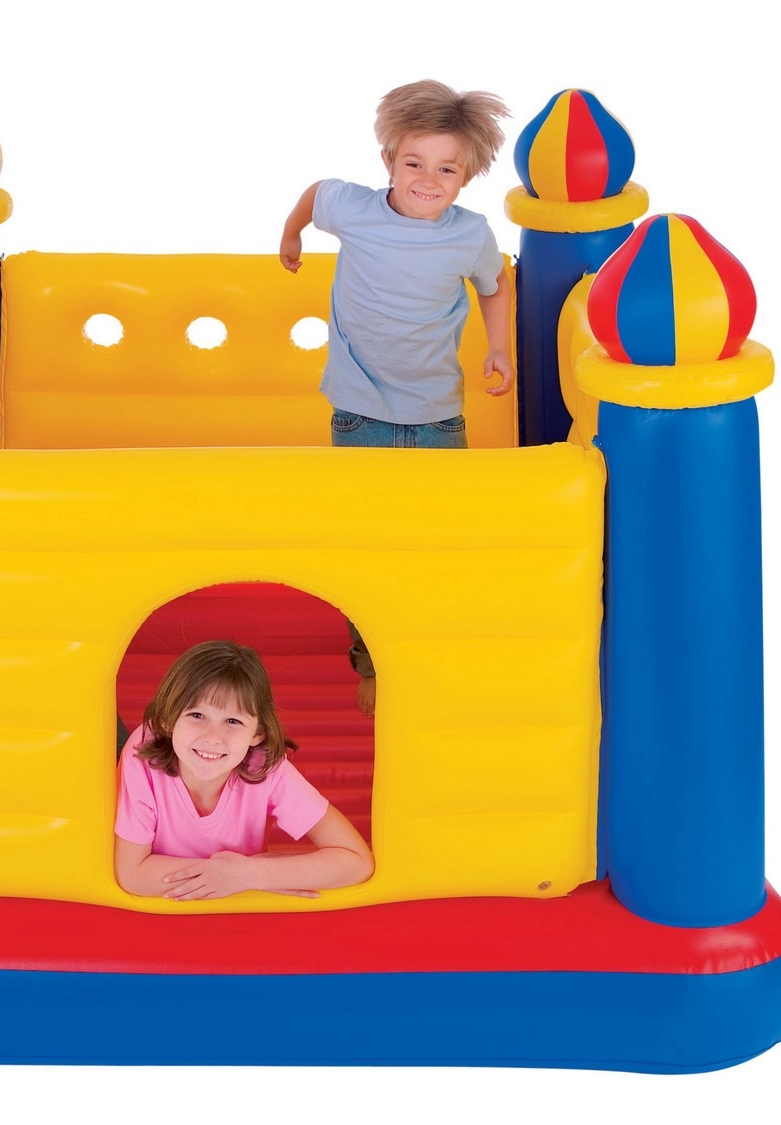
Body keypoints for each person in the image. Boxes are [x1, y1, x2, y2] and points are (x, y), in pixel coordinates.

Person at [279, 79, 514, 717]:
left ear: (467, 177)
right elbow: (313, 196)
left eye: (447, 169)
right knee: (366, 545)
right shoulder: (354, 209)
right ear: (388, 160)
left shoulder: (470, 234)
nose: (428, 181)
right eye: (414, 163)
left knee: (439, 542)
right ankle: (373, 664)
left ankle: (434, 651)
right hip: (360, 414)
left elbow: (494, 285)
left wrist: (500, 348)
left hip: (438, 418)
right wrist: (291, 236)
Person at [114, 639, 375, 900]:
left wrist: (253, 874)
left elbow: (356, 861)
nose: (213, 737)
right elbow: (133, 875)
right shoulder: (142, 757)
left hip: (234, 909)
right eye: (197, 715)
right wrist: (236, 876)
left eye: (233, 721)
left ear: (257, 733)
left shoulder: (264, 766)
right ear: (167, 720)